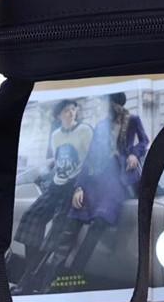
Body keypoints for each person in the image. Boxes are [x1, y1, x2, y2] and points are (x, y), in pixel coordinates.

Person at [57, 92, 150, 281]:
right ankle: (55, 277)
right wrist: (79, 187)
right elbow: (90, 157)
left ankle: (74, 275)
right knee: (73, 219)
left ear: (117, 104)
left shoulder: (133, 120)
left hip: (119, 179)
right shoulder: (100, 125)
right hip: (97, 178)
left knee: (100, 221)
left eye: (108, 103)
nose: (105, 106)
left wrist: (134, 153)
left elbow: (144, 141)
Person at [11, 99, 93, 294]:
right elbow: (58, 162)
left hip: (74, 186)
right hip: (57, 185)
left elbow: (91, 161)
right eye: (66, 111)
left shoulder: (85, 131)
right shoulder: (55, 135)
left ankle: (30, 283)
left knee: (56, 231)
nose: (71, 113)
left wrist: (81, 187)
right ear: (59, 115)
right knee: (31, 218)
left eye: (73, 109)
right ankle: (29, 276)